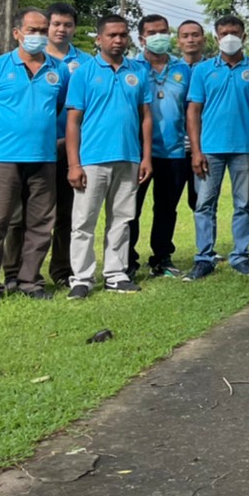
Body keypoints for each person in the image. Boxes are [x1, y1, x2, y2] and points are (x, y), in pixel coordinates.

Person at [0, 8, 70, 306]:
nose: (38, 36)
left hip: (44, 157)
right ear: (17, 33)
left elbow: (57, 109)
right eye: (32, 30)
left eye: (43, 30)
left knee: (41, 223)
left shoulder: (59, 70)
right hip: (3, 157)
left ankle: (30, 280)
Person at [64, 15, 152, 299]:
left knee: (122, 219)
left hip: (128, 157)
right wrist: (74, 164)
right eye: (112, 35)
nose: (118, 40)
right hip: (92, 159)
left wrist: (146, 157)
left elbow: (146, 117)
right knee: (83, 221)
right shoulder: (84, 73)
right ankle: (81, 278)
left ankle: (115, 274)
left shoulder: (138, 72)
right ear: (99, 39)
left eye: (123, 35)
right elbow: (73, 122)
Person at [184, 15, 249, 281]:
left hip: (245, 147)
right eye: (224, 33)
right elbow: (193, 112)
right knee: (204, 204)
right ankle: (204, 258)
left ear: (244, 36)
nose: (230, 37)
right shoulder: (203, 70)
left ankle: (241, 255)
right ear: (216, 38)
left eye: (235, 32)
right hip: (209, 149)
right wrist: (196, 150)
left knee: (244, 204)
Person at [127, 14, 194, 279]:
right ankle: (127, 259)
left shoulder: (182, 69)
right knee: (131, 209)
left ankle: (162, 257)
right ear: (142, 38)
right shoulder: (132, 69)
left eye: (163, 31)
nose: (159, 36)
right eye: (153, 32)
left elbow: (191, 110)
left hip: (175, 151)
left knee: (166, 208)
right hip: (139, 152)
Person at [42, 1, 85, 289]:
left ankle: (62, 270)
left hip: (72, 149)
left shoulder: (86, 62)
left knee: (68, 213)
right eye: (56, 23)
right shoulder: (33, 57)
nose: (61, 29)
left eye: (67, 24)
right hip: (36, 148)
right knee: (35, 212)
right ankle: (21, 271)